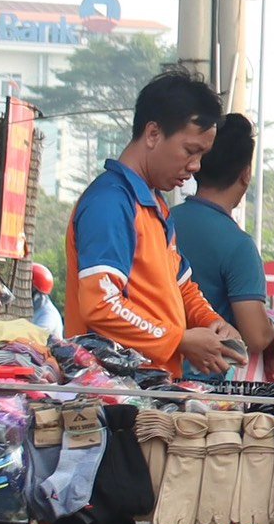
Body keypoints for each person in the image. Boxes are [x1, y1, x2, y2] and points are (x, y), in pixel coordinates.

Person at [66, 70, 244, 375]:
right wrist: (180, 340)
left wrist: (211, 322)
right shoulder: (110, 203)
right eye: (190, 151)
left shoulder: (155, 206)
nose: (195, 166)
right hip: (111, 392)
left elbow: (181, 286)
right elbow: (102, 306)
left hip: (149, 388)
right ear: (152, 134)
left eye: (202, 154)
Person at [169, 113, 274, 373]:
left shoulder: (161, 222)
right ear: (246, 174)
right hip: (209, 394)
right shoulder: (238, 245)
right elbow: (255, 337)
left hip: (154, 376)